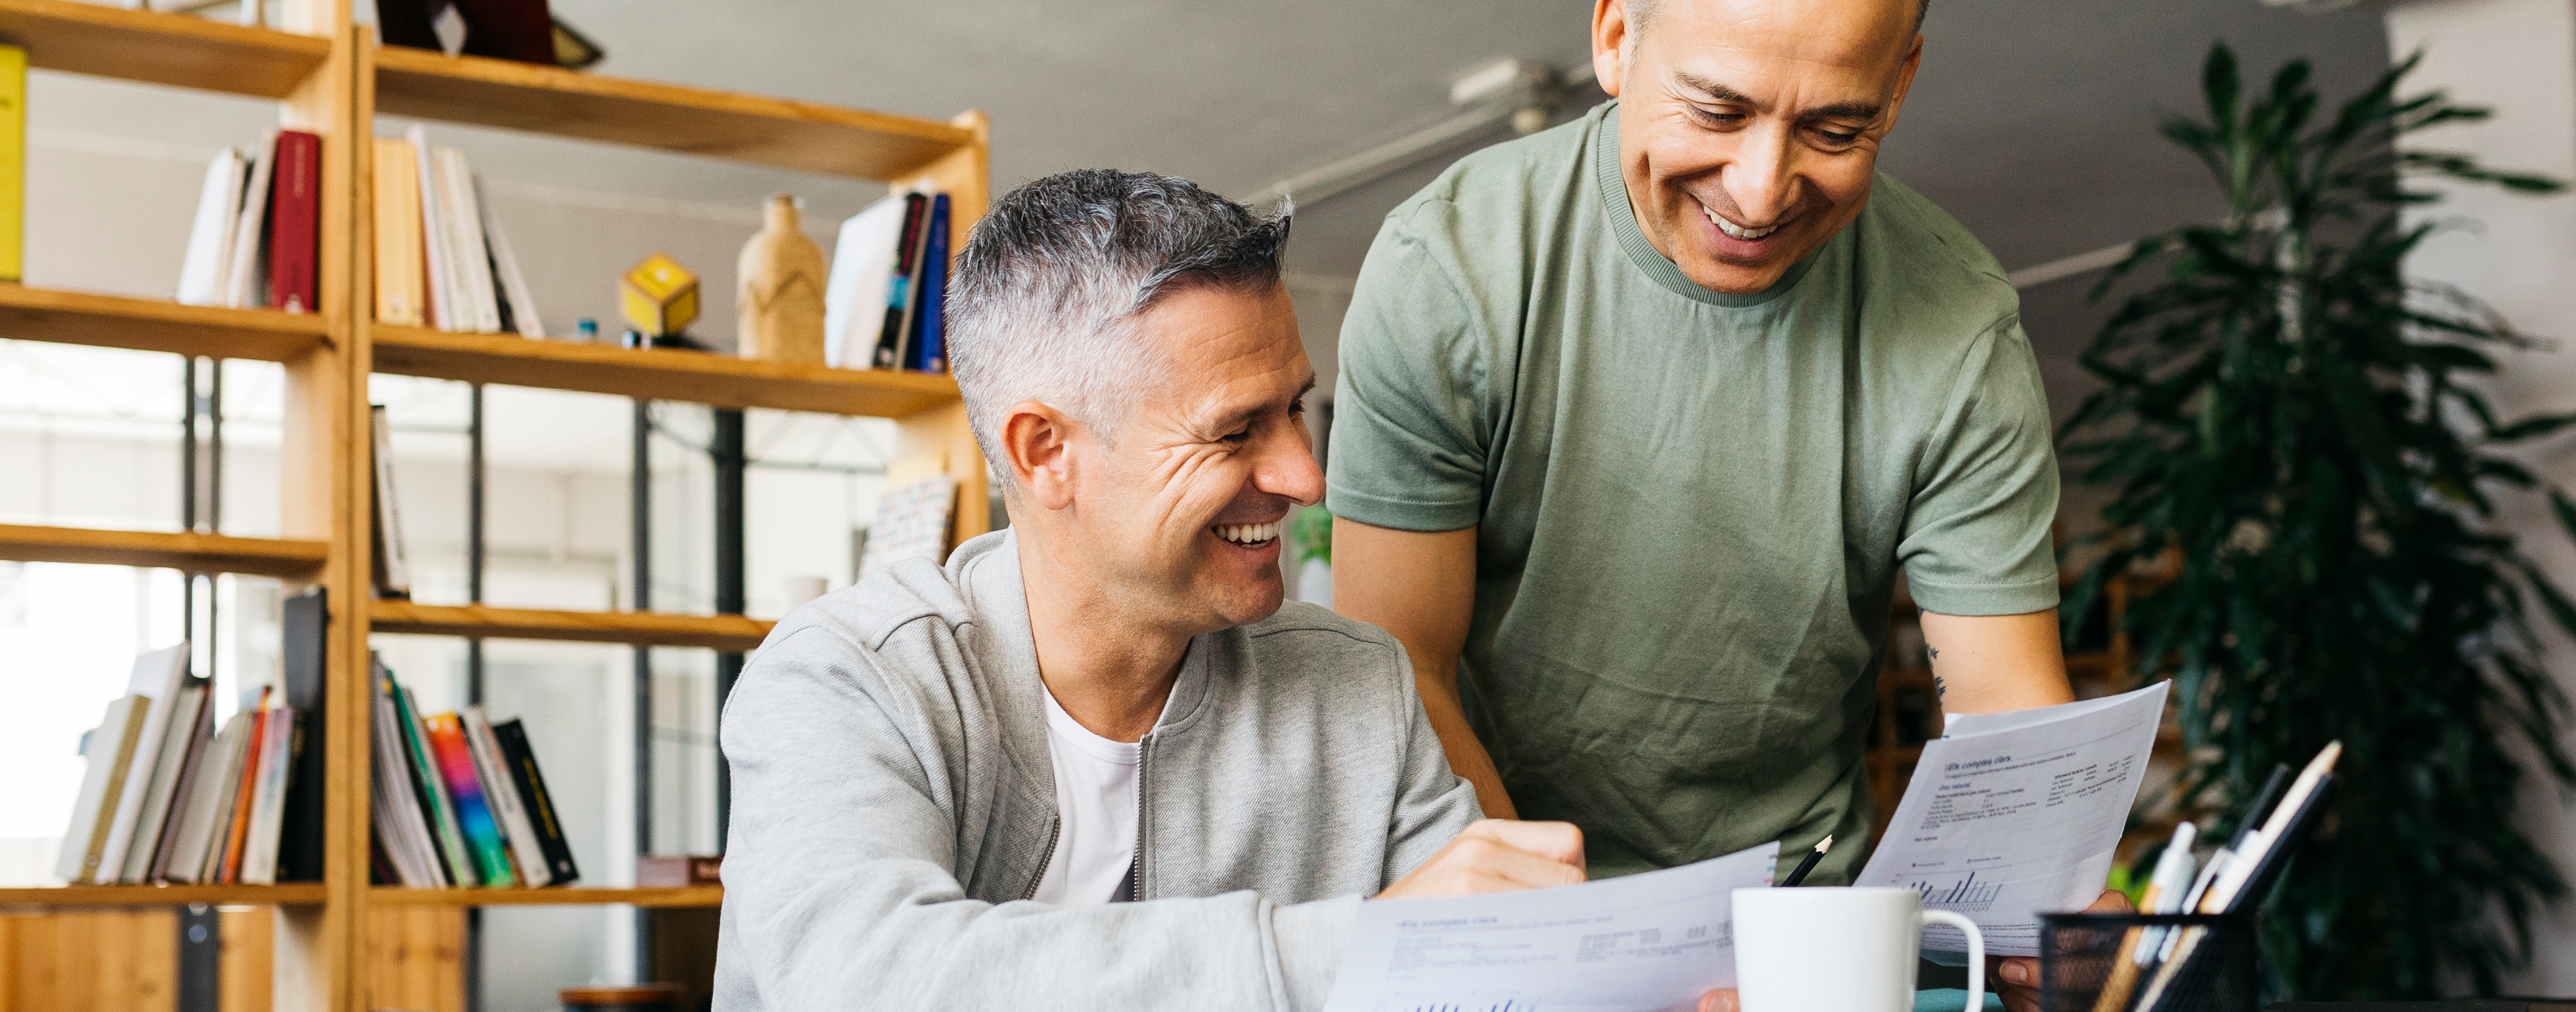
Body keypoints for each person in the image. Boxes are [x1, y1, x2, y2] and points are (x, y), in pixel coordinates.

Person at [1323, 0, 2121, 1007]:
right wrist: (1586, 948)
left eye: (1834, 129)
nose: (1761, 188)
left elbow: (2006, 710)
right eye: (1713, 109)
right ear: (1614, 39)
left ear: (1901, 81)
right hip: (1508, 908)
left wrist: (2041, 919)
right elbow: (1399, 676)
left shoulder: (1958, 324)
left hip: (1804, 930)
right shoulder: (1448, 269)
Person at [713, 169, 1588, 1011]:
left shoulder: (1354, 684)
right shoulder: (842, 681)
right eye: (1235, 430)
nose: (1302, 475)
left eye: (1292, 410)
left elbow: (1485, 966)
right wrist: (1358, 946)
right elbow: (870, 986)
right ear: (1045, 453)